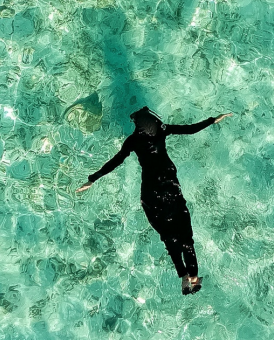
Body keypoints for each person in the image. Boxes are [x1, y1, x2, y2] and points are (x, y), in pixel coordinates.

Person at [78, 107, 232, 295]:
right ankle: (192, 277)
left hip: (150, 196)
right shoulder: (162, 129)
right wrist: (213, 119)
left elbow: (116, 161)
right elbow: (190, 129)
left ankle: (184, 275)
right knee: (185, 237)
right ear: (153, 121)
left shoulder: (132, 141)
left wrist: (93, 179)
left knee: (169, 236)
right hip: (170, 190)